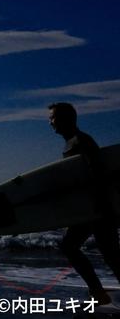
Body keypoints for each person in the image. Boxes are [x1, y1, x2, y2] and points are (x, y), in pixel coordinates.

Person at [49, 101, 120, 305]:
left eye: (53, 118)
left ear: (66, 118)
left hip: (97, 208)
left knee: (78, 248)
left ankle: (98, 293)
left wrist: (102, 206)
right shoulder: (71, 142)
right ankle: (98, 293)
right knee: (109, 254)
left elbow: (99, 173)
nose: (50, 122)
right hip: (89, 209)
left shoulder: (82, 141)